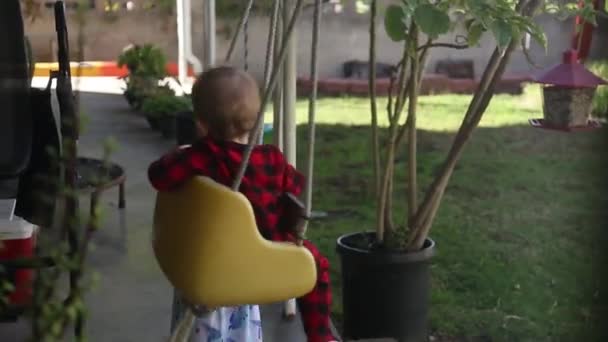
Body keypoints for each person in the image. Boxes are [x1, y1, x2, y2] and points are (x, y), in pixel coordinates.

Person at [148, 66, 337, 342]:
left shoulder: (202, 157)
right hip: (266, 253)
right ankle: (321, 336)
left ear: (200, 123)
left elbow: (159, 176)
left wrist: (178, 153)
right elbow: (297, 189)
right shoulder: (271, 158)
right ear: (257, 120)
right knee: (317, 266)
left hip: (212, 259)